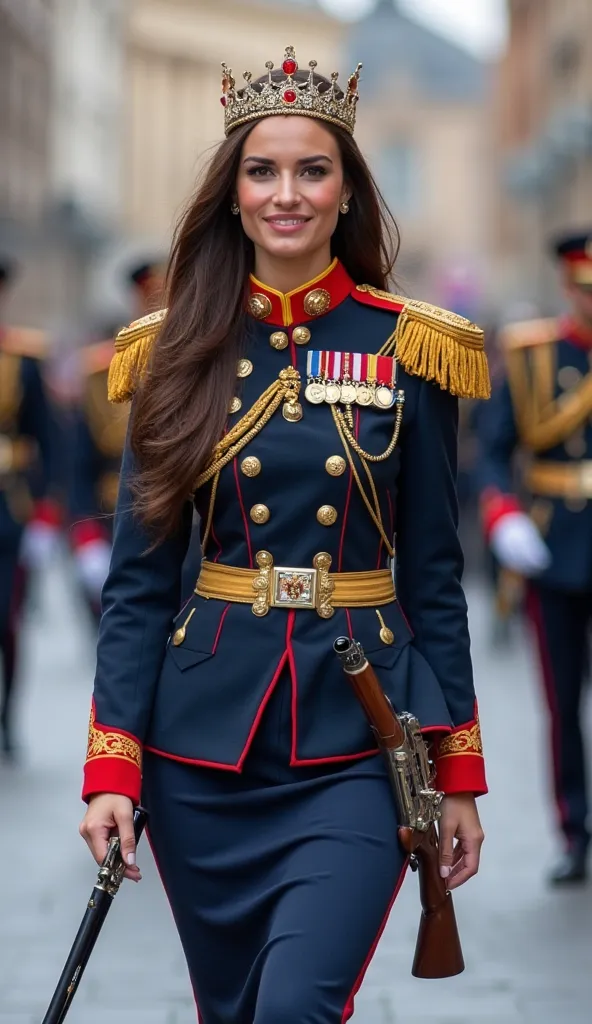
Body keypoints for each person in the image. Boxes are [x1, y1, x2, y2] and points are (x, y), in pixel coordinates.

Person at [79, 49, 488, 1021]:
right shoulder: (171, 352)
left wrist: (460, 772)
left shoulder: (412, 346)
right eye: (262, 171)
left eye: (313, 170)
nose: (286, 194)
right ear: (231, 193)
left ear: (347, 190)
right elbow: (137, 585)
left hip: (358, 734)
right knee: (233, 1010)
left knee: (295, 1005)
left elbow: (434, 573)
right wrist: (111, 767)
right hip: (201, 747)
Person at [479, 230, 592, 885]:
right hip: (556, 548)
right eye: (582, 291)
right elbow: (495, 451)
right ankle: (574, 829)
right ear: (566, 286)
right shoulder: (530, 359)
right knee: (562, 704)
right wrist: (504, 516)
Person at [69, 262, 165, 621]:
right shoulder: (105, 370)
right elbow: (78, 460)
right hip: (117, 508)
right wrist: (84, 536)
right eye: (151, 297)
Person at [0, 257, 61, 757]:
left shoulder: (23, 358)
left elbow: (49, 441)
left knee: (6, 619)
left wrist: (43, 518)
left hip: (8, 506)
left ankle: (6, 718)